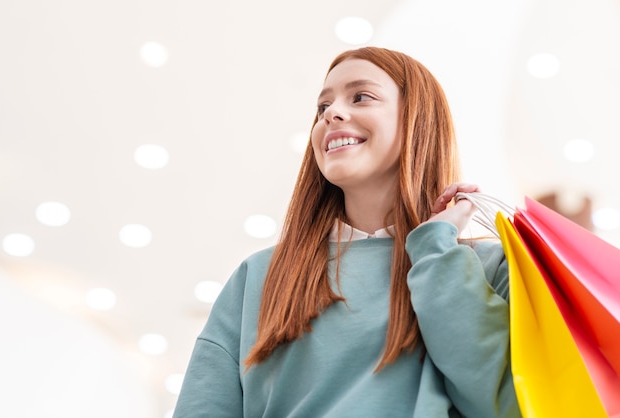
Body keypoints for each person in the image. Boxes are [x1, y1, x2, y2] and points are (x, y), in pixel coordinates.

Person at [173, 46, 521, 417]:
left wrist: (436, 252)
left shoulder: (489, 266)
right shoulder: (257, 277)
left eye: (361, 97)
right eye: (322, 108)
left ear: (419, 121)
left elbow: (503, 405)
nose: (331, 114)